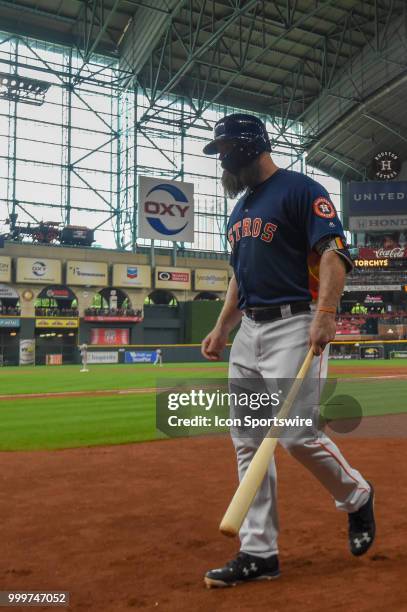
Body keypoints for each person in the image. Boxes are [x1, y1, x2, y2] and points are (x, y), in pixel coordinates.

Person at [201, 113, 375, 588]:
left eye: (223, 152)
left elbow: (334, 253)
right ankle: (259, 552)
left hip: (296, 322)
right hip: (249, 332)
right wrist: (221, 328)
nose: (221, 162)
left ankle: (357, 496)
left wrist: (326, 313)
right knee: (248, 443)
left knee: (296, 434)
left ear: (247, 148)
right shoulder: (239, 213)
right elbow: (241, 277)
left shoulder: (301, 190)